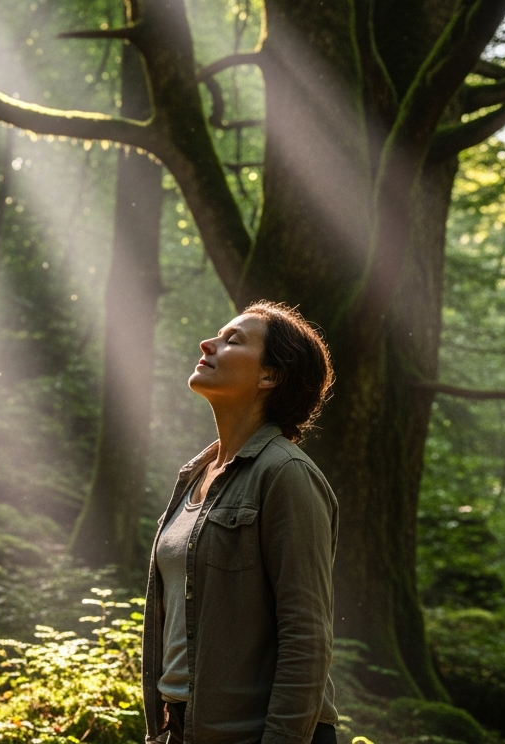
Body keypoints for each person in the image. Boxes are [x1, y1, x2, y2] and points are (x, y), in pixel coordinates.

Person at [143, 301, 339, 744]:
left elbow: (306, 635)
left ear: (270, 376)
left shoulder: (287, 475)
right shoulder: (195, 474)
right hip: (187, 728)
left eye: (233, 340)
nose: (207, 343)